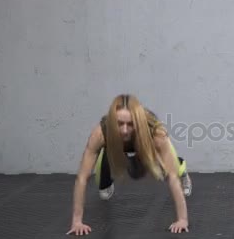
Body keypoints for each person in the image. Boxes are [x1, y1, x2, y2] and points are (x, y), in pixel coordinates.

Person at [67, 94, 193, 235]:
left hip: (144, 144)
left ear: (138, 122)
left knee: (168, 169)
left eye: (130, 124)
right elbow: (82, 178)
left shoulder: (155, 132)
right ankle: (106, 163)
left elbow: (172, 178)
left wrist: (182, 219)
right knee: (104, 193)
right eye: (120, 124)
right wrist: (77, 221)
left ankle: (182, 167)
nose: (125, 130)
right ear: (113, 121)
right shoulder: (101, 133)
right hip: (115, 147)